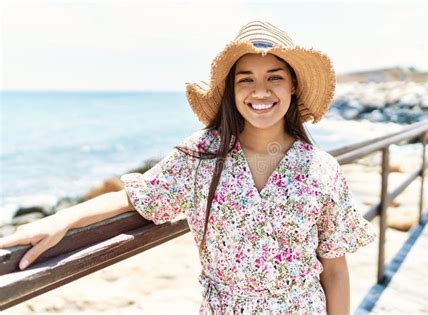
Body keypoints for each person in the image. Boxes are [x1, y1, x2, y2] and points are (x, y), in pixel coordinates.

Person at [0, 21, 377, 314]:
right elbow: (135, 196)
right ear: (231, 90)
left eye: (273, 78)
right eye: (245, 80)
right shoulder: (202, 155)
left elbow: (334, 270)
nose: (260, 92)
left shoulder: (321, 170)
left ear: (292, 86)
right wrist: (60, 220)